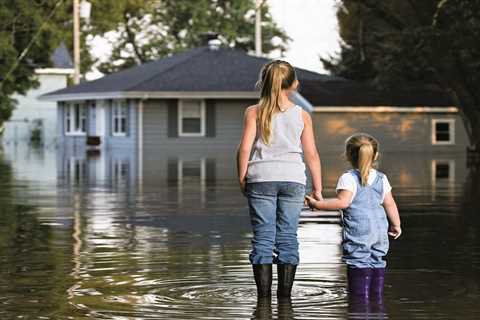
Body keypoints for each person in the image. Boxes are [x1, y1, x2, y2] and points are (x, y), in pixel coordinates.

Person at [237, 60, 323, 298]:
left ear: (264, 82)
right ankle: (285, 299)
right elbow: (312, 155)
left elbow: (245, 149)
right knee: (287, 235)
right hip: (293, 179)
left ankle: (262, 300)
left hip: (261, 177)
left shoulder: (254, 112)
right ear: (294, 84)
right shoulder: (302, 115)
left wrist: (243, 177)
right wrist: (317, 189)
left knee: (263, 236)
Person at [305, 133, 401, 301]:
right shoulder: (381, 178)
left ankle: (359, 302)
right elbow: (390, 203)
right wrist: (396, 224)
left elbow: (342, 202)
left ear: (348, 155)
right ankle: (376, 301)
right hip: (379, 231)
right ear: (375, 155)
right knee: (377, 259)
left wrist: (317, 204)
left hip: (360, 231)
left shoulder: (348, 178)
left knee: (358, 261)